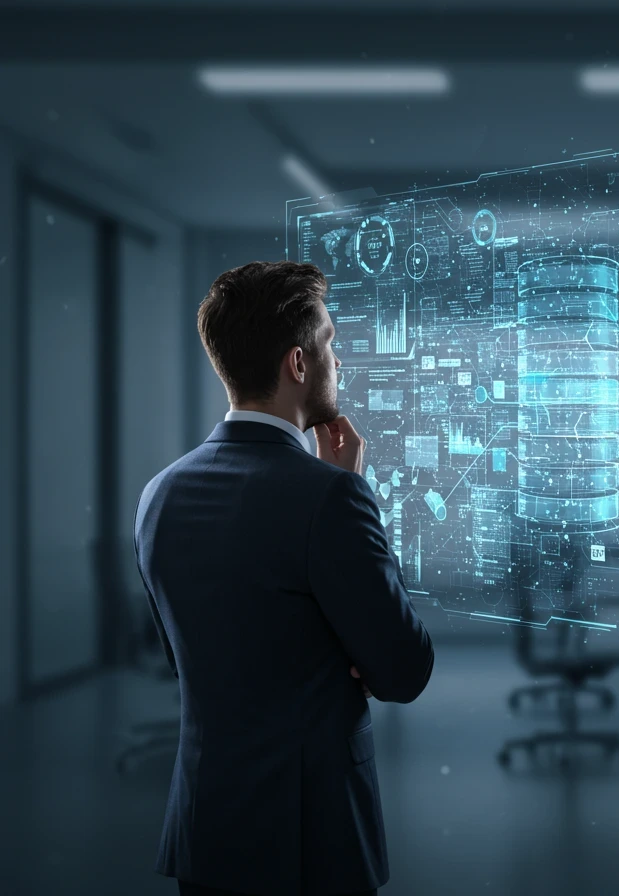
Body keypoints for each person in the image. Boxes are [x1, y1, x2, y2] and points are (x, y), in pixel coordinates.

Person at [134, 261, 435, 896]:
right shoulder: (331, 499)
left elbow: (189, 657)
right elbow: (404, 671)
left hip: (206, 833)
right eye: (330, 343)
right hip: (312, 839)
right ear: (298, 364)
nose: (340, 361)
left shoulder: (158, 495)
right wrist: (350, 492)